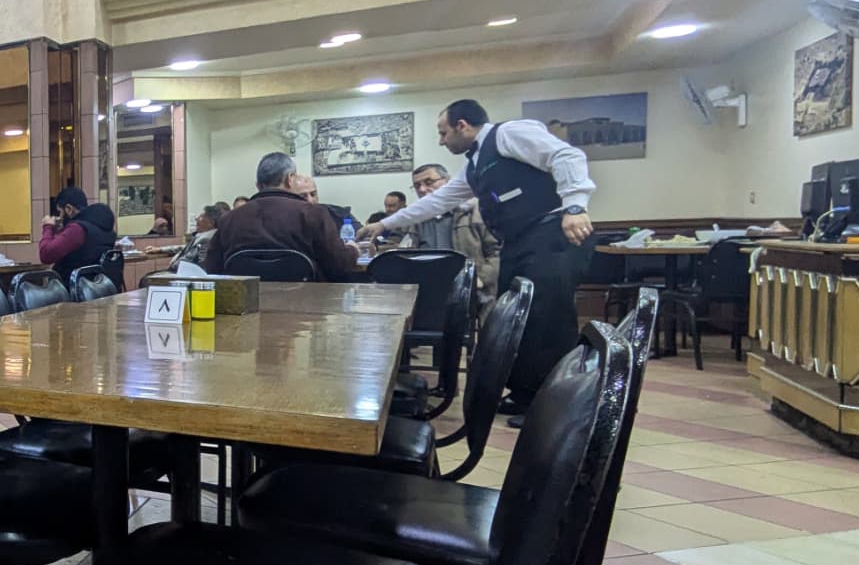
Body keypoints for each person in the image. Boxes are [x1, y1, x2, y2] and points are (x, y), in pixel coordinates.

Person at [365, 99, 595, 416]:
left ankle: (557, 407)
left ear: (462, 125)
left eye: (443, 133)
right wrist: (384, 224)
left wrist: (575, 205)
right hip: (519, 241)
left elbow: (567, 156)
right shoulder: (474, 165)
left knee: (549, 322)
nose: (441, 141)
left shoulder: (509, 134)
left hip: (550, 234)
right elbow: (437, 202)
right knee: (522, 322)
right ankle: (525, 395)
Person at [210, 152, 362, 280]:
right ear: (290, 179)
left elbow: (212, 269)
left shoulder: (229, 219)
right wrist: (353, 250)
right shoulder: (313, 213)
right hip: (307, 302)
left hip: (246, 303)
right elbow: (338, 265)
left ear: (258, 185)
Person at [398, 161, 501, 309]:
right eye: (417, 186)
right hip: (427, 293)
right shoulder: (415, 219)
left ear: (448, 181)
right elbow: (406, 253)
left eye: (429, 182)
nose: (422, 189)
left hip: (473, 295)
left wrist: (481, 278)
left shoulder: (476, 211)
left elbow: (497, 252)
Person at [39, 186, 117, 282]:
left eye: (60, 212)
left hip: (72, 286)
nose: (60, 217)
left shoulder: (77, 229)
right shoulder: (101, 226)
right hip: (97, 285)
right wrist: (60, 232)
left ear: (69, 209)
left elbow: (46, 255)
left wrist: (47, 227)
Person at [171, 203, 227, 271]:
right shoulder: (202, 235)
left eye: (201, 217)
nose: (196, 219)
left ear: (211, 223)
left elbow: (194, 262)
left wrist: (173, 264)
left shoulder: (206, 239)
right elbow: (186, 249)